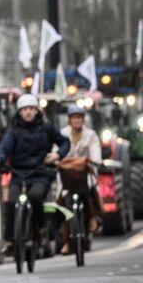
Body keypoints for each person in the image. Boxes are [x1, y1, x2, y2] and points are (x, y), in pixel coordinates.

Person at [0, 94, 71, 255]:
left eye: (31, 109)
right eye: (24, 109)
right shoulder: (13, 131)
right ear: (19, 112)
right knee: (11, 202)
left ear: (36, 111)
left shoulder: (46, 128)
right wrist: (0, 160)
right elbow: (4, 148)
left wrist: (58, 155)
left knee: (36, 196)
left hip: (41, 172)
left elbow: (64, 142)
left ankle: (42, 230)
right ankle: (10, 240)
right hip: (18, 173)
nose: (28, 112)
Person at [58, 105, 103, 253]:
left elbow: (95, 149)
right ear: (69, 120)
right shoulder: (62, 134)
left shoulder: (91, 135)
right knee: (62, 201)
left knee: (90, 190)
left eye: (79, 118)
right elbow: (56, 150)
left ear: (83, 120)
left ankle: (92, 218)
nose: (76, 120)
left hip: (84, 172)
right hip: (67, 174)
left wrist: (96, 160)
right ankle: (65, 241)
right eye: (74, 118)